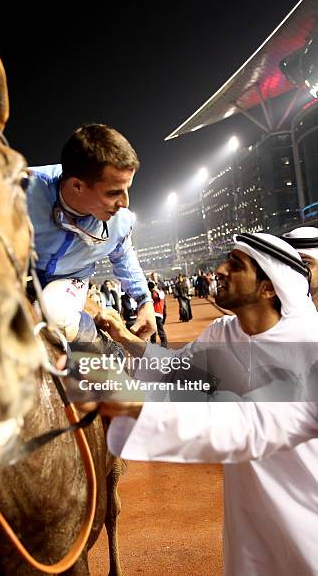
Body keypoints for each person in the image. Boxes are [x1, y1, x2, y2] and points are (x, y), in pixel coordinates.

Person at [84, 232, 318, 575]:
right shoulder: (225, 332)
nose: (220, 270)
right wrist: (124, 336)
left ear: (270, 287)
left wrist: (140, 408)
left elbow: (248, 429)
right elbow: (175, 371)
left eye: (236, 265)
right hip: (249, 520)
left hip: (308, 515)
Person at [27, 123, 155, 343]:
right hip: (16, 275)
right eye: (114, 192)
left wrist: (145, 301)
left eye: (127, 189)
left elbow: (123, 256)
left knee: (53, 316)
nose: (124, 203)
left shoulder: (121, 221)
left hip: (68, 282)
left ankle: (101, 344)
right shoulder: (21, 190)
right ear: (77, 186)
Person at [148, 280, 168, 347]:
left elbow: (161, 298)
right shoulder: (150, 293)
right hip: (152, 314)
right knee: (153, 331)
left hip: (158, 314)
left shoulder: (160, 293)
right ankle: (153, 345)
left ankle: (164, 345)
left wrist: (155, 290)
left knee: (160, 331)